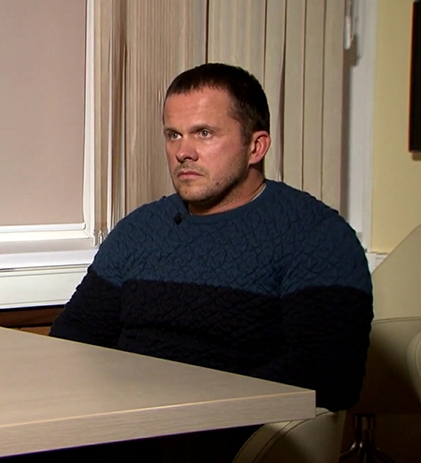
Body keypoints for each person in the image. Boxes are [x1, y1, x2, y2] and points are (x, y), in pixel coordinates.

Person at [48, 63, 373, 460]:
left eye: (204, 133)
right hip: (117, 427)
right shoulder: (140, 230)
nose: (182, 151)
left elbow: (329, 371)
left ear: (256, 147)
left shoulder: (315, 234)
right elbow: (75, 336)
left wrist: (189, 415)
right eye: (173, 134)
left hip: (223, 438)